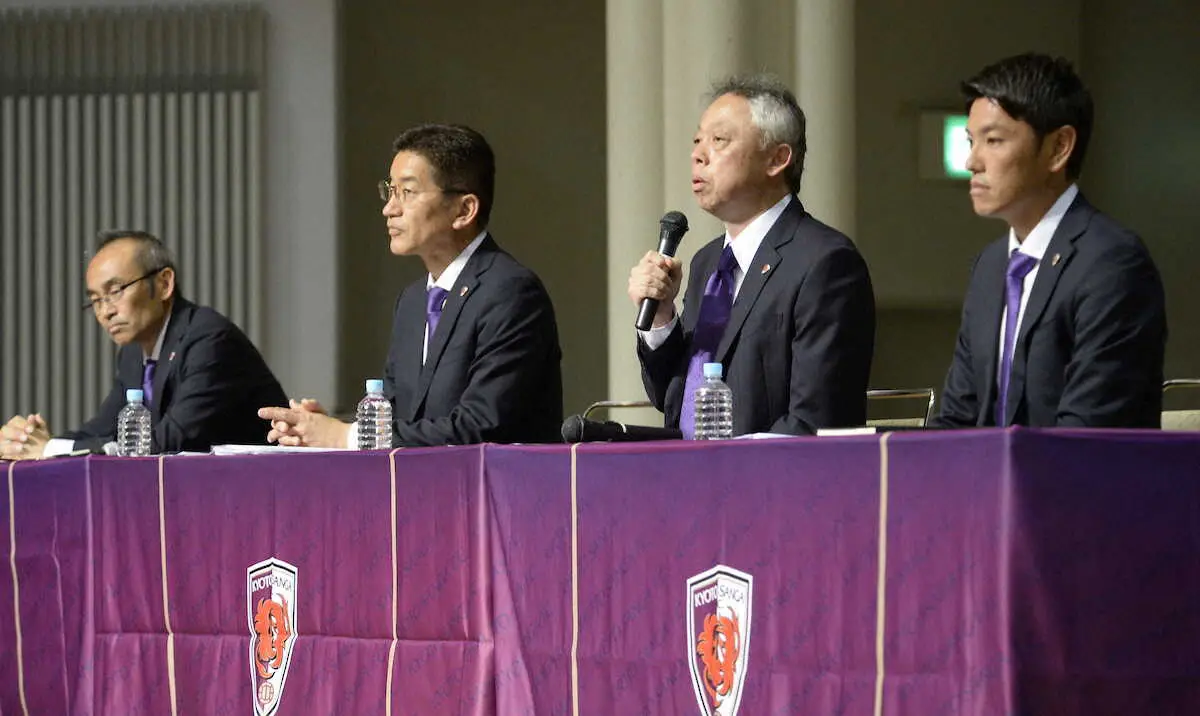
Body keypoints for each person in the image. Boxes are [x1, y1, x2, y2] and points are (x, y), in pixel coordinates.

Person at [259, 123, 562, 447]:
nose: (389, 209)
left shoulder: (510, 293)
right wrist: (320, 429)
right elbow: (400, 420)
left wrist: (345, 436)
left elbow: (481, 427)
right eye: (390, 191)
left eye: (407, 192)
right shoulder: (413, 301)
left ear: (464, 210)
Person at [628, 75, 876, 437]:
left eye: (719, 140)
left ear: (777, 159)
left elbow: (817, 419)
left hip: (770, 472)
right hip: (690, 468)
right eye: (697, 140)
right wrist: (662, 317)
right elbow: (674, 401)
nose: (698, 155)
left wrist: (735, 463)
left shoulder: (825, 263)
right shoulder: (706, 263)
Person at [931, 53, 1166, 429]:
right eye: (971, 141)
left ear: (1058, 148)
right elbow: (958, 419)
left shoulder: (1112, 263)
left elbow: (1088, 432)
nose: (971, 162)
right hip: (991, 469)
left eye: (993, 140)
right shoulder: (990, 266)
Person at [0, 230, 287, 458]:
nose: (105, 311)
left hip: (258, 491)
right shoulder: (133, 354)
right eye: (96, 300)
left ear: (164, 284)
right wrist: (29, 442)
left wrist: (50, 450)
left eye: (115, 291)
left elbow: (169, 440)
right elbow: (103, 429)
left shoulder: (209, 339)